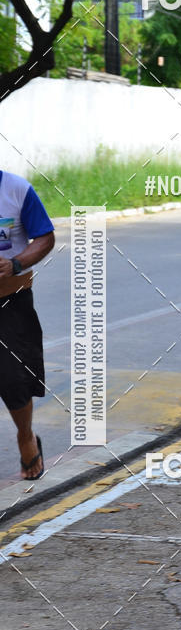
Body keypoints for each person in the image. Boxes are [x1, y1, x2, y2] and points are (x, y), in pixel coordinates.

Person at [0, 169, 55, 479]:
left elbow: (45, 237)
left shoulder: (17, 190)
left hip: (10, 302)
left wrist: (15, 263)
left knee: (13, 380)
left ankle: (25, 435)